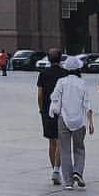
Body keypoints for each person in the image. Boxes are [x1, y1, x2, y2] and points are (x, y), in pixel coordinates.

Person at [49, 55, 94, 189]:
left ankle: (68, 181)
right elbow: (87, 104)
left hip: (64, 118)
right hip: (79, 120)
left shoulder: (61, 82)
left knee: (65, 150)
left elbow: (54, 96)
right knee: (79, 148)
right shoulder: (82, 83)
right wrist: (91, 122)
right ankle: (78, 172)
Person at [37, 47, 67, 185]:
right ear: (60, 58)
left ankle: (54, 171)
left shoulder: (43, 74)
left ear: (48, 59)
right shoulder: (65, 74)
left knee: (51, 141)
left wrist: (41, 109)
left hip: (47, 110)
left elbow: (40, 95)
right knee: (61, 140)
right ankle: (56, 169)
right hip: (62, 110)